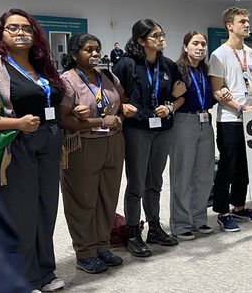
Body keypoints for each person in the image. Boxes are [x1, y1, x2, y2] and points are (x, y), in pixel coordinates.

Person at [0, 8, 67, 292]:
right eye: (13, 28)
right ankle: (22, 278)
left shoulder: (43, 65)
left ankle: (45, 272)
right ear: (1, 34)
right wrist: (19, 123)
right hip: (17, 142)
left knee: (46, 209)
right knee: (22, 213)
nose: (21, 33)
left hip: (49, 139)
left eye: (26, 28)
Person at [58, 33, 136, 273]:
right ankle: (85, 251)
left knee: (107, 197)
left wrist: (123, 114)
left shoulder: (107, 76)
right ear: (74, 54)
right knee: (83, 199)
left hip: (113, 143)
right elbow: (64, 119)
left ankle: (103, 245)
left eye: (97, 49)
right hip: (83, 144)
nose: (94, 54)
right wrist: (98, 120)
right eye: (88, 50)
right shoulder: (67, 80)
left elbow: (122, 102)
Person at [112, 19, 187, 257]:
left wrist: (171, 107)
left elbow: (181, 95)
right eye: (155, 36)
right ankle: (133, 231)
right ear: (141, 40)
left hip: (163, 129)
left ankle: (154, 226)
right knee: (137, 184)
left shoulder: (167, 65)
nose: (161, 39)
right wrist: (123, 107)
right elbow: (113, 96)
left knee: (155, 181)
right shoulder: (127, 64)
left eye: (162, 35)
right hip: (137, 130)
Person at [208, 7, 252, 232]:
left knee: (246, 165)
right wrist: (242, 107)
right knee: (228, 165)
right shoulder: (219, 55)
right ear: (229, 26)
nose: (246, 25)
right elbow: (217, 91)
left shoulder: (251, 54)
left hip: (251, 118)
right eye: (242, 21)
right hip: (230, 119)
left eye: (247, 21)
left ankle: (239, 207)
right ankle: (223, 212)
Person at [169, 31, 217, 240]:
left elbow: (210, 97)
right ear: (185, 46)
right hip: (183, 121)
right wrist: (172, 96)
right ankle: (181, 224)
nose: (200, 48)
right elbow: (169, 96)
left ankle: (199, 219)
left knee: (205, 174)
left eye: (203, 44)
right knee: (183, 173)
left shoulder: (206, 71)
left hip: (205, 122)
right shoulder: (177, 70)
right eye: (195, 43)